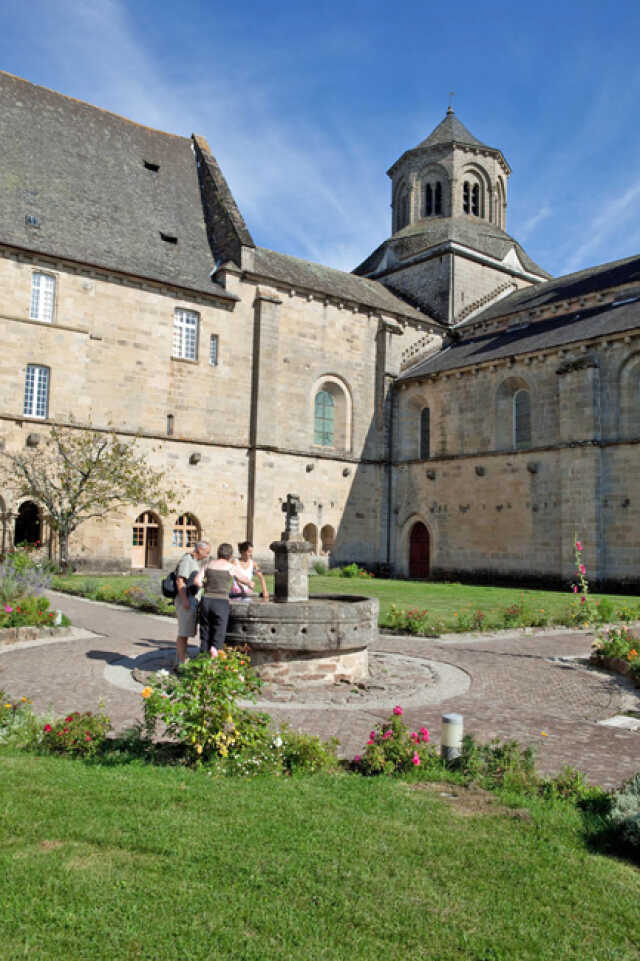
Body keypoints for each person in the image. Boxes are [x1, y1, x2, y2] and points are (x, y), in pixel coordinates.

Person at [197, 543, 253, 656]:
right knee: (218, 633)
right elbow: (243, 578)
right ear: (230, 556)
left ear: (218, 553)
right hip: (220, 603)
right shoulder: (230, 567)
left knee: (205, 632)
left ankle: (202, 660)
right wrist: (250, 583)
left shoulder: (208, 565)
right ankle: (215, 663)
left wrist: (206, 586)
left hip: (206, 601)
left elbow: (197, 581)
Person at [174, 539, 210, 666]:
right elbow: (180, 581)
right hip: (186, 600)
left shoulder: (193, 561)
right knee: (183, 633)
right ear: (199, 550)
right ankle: (182, 662)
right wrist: (185, 601)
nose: (207, 555)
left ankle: (180, 660)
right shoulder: (187, 560)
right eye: (207, 552)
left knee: (186, 632)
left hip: (190, 600)